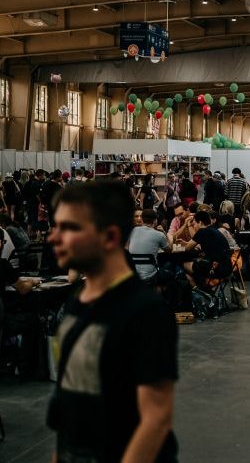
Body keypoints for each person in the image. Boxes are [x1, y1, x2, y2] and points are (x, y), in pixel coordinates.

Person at [46, 179, 179, 462]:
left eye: (70, 228)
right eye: (56, 226)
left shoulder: (146, 312)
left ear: (109, 237)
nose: (53, 238)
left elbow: (155, 419)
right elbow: (67, 405)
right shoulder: (76, 302)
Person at [128, 209, 169, 281]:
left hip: (134, 276)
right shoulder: (159, 234)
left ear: (142, 220)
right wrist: (164, 232)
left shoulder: (131, 231)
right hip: (151, 276)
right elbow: (169, 250)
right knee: (170, 268)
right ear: (155, 220)